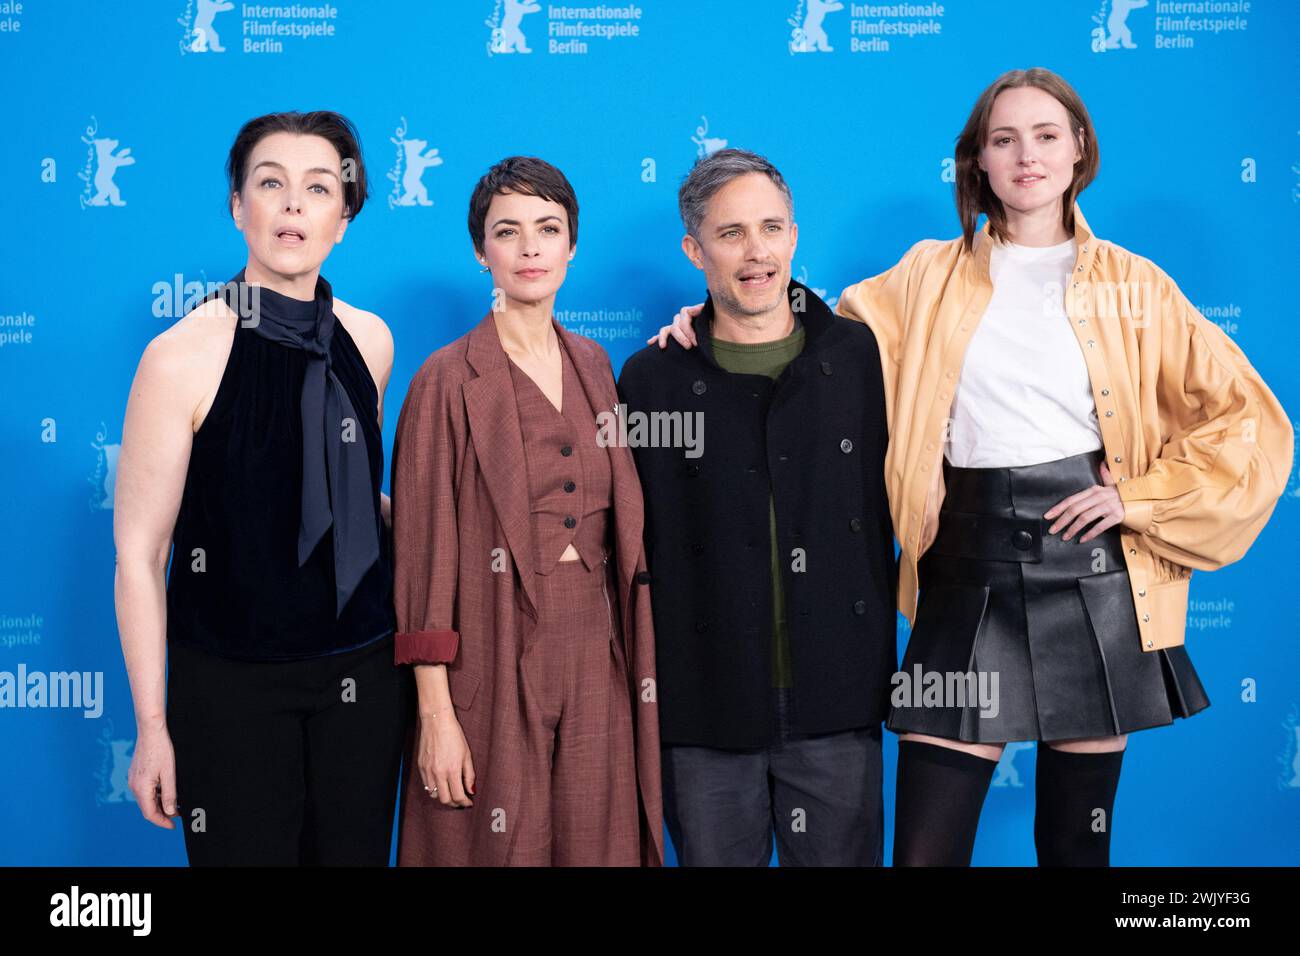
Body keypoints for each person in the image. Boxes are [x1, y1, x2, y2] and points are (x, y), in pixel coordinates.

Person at [652, 69, 1293, 866]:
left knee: (1077, 846)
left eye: (1046, 136)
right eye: (1004, 139)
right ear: (977, 160)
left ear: (1079, 148)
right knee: (926, 852)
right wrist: (713, 312)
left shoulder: (1137, 286)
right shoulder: (927, 274)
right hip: (964, 566)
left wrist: (1142, 498)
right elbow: (812, 334)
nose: (1027, 156)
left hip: (1093, 572)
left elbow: (1248, 420)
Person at [114, 110, 412, 865]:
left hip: (364, 674)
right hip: (231, 686)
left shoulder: (371, 340)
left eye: (319, 188)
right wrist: (152, 727)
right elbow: (141, 554)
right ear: (237, 206)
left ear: (343, 218)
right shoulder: (179, 356)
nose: (292, 205)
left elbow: (347, 497)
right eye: (270, 183)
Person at [622, 149, 896, 866]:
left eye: (771, 228)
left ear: (794, 235)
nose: (757, 252)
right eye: (731, 233)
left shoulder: (860, 357)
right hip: (704, 708)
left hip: (838, 701)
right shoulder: (652, 379)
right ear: (695, 250)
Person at [390, 156, 663, 866]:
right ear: (481, 251)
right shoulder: (445, 380)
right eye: (507, 231)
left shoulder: (596, 366)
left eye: (548, 228)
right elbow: (422, 559)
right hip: (491, 651)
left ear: (572, 245)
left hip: (598, 654)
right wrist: (436, 715)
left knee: (599, 847)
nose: (530, 247)